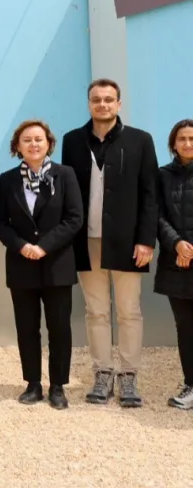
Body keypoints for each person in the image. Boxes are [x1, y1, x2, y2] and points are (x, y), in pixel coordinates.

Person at [61, 78, 159, 408]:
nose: (102, 104)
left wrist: (146, 240)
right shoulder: (72, 141)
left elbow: (150, 194)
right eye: (96, 99)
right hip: (86, 240)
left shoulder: (140, 140)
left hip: (128, 242)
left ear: (118, 104)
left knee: (129, 311)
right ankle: (102, 373)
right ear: (89, 103)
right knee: (96, 311)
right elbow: (69, 191)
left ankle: (128, 375)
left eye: (108, 99)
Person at [0, 120, 82, 410]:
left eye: (38, 139)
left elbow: (74, 218)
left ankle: (58, 386)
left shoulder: (65, 175)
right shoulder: (7, 180)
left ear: (48, 143)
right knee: (27, 328)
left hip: (57, 264)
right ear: (17, 146)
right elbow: (0, 222)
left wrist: (44, 246)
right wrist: (22, 246)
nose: (33, 144)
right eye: (27, 140)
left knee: (59, 328)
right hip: (22, 265)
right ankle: (33, 384)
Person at [156, 119, 193, 410]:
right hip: (176, 263)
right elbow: (156, 216)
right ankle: (190, 384)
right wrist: (177, 243)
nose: (187, 144)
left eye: (192, 139)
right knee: (186, 327)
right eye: (182, 139)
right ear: (173, 143)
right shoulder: (162, 176)